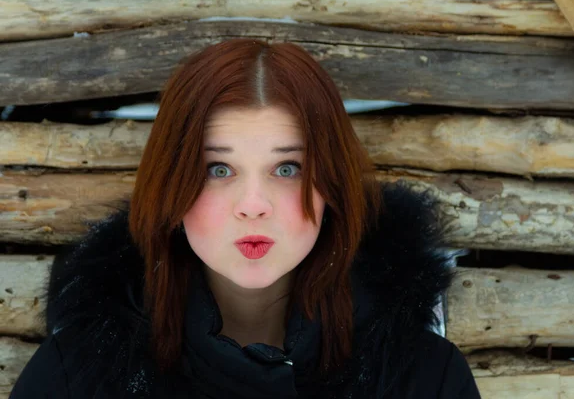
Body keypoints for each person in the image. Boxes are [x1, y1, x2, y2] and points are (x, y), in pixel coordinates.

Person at [10, 39, 480, 398]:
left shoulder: (424, 378)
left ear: (330, 188)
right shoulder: (74, 379)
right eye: (218, 169)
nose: (253, 203)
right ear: (170, 185)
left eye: (287, 168)